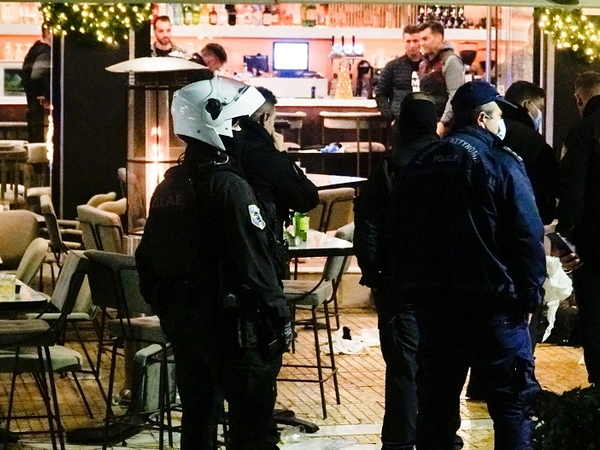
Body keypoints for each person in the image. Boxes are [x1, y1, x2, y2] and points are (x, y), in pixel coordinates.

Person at [386, 81, 545, 449]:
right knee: (512, 405)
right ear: (481, 118)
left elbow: (398, 230)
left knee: (435, 407)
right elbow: (527, 234)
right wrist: (530, 295)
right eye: (499, 116)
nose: (502, 123)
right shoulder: (500, 161)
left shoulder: (419, 162)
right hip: (493, 303)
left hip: (434, 306)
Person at [135, 77, 292, 450]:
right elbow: (254, 262)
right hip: (232, 325)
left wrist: (171, 307)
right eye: (237, 123)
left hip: (186, 322)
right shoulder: (228, 185)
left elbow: (146, 259)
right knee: (251, 430)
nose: (241, 132)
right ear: (217, 122)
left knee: (197, 421)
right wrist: (279, 316)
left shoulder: (168, 185)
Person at [355, 92, 442, 450]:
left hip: (399, 283)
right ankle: (439, 433)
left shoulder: (391, 167)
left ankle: (400, 441)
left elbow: (368, 226)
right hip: (444, 284)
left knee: (404, 366)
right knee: (441, 366)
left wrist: (374, 274)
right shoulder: (452, 162)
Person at [233, 86, 318, 281]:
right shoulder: (268, 157)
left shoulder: (225, 150)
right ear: (265, 118)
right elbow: (308, 198)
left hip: (228, 259)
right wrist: (282, 155)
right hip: (264, 257)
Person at [555, 71, 600, 386]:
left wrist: (565, 241)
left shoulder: (583, 132)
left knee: (595, 317)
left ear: (579, 99)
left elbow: (572, 194)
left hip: (593, 245)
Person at [417, 21, 465, 137]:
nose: (421, 43)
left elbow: (455, 95)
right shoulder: (424, 63)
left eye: (425, 38)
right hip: (428, 122)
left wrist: (443, 122)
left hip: (445, 126)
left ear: (438, 37)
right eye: (420, 39)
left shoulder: (451, 61)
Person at [374, 25, 422, 122]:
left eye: (415, 41)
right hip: (400, 121)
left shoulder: (429, 65)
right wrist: (390, 116)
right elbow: (380, 93)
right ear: (403, 43)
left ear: (421, 42)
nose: (412, 45)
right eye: (408, 41)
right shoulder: (393, 66)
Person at [22, 28, 52, 143]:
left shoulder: (35, 50)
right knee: (39, 137)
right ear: (48, 32)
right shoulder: (45, 52)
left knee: (34, 135)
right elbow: (38, 76)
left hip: (32, 101)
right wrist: (46, 95)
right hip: (40, 103)